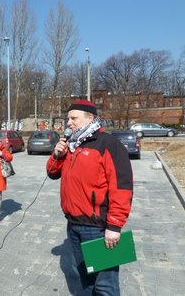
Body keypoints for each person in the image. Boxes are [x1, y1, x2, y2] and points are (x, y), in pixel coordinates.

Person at [46, 100, 133, 295]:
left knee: (104, 285)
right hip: (73, 224)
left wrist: (114, 226)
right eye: (68, 118)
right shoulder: (71, 145)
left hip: (98, 228)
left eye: (73, 118)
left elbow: (122, 187)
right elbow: (52, 173)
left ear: (90, 118)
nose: (68, 122)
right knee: (84, 280)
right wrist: (56, 154)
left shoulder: (108, 144)